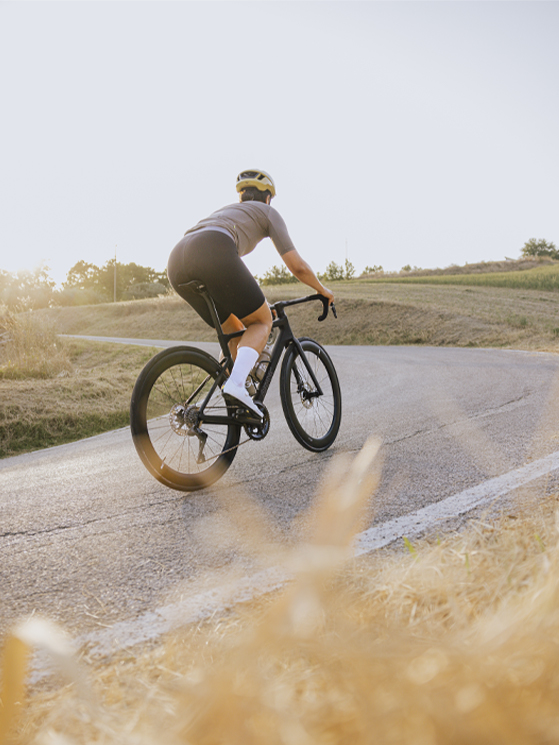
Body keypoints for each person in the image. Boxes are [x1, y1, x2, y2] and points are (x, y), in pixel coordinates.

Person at [167, 169, 334, 418]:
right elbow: (297, 266)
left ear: (242, 197)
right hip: (214, 249)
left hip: (177, 261)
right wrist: (322, 290)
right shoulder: (268, 212)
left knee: (234, 332)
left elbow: (230, 280)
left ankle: (227, 400)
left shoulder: (227, 212)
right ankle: (236, 385)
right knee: (262, 321)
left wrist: (260, 302)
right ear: (267, 198)